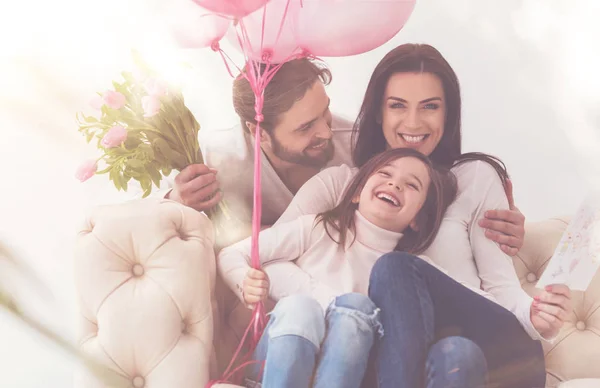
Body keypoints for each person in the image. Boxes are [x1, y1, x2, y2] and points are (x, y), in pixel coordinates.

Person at [266, 44, 572, 387]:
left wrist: (534, 316)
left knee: (394, 268)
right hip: (414, 363)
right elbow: (263, 256)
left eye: (430, 107)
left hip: (501, 354)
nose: (413, 122)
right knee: (455, 354)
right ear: (379, 112)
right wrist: (327, 298)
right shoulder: (345, 185)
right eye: (398, 105)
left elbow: (500, 286)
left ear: (448, 115)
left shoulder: (475, 176)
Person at [155, 57, 525, 252]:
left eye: (325, 112)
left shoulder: (363, 148)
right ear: (258, 131)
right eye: (305, 127)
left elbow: (429, 189)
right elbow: (157, 219)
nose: (324, 131)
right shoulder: (217, 159)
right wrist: (175, 201)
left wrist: (501, 224)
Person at [218, 148, 458, 388]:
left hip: (348, 373)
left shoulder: (409, 274)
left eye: (412, 185)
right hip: (273, 368)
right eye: (385, 173)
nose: (394, 184)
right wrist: (244, 282)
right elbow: (233, 253)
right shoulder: (317, 228)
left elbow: (470, 299)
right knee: (300, 307)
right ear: (355, 192)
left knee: (356, 307)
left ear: (418, 218)